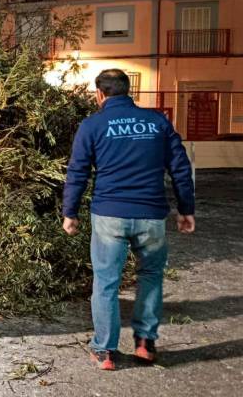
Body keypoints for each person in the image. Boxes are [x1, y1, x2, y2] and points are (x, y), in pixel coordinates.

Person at [62, 69, 195, 371]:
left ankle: (105, 351)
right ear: (128, 91)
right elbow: (180, 167)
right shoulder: (157, 121)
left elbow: (78, 171)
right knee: (151, 277)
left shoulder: (93, 124)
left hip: (109, 215)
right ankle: (145, 344)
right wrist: (186, 209)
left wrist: (69, 213)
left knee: (106, 282)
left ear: (100, 94)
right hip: (151, 216)